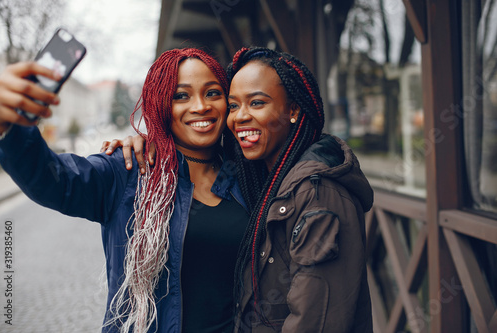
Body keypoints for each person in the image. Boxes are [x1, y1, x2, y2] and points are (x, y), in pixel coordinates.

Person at [111, 47, 374, 332]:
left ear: (294, 110)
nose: (239, 117)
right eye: (234, 105)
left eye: (257, 103)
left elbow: (318, 320)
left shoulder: (318, 191)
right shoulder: (265, 179)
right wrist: (152, 141)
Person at [0, 48, 249, 333]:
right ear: (161, 104)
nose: (201, 106)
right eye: (181, 95)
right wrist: (9, 128)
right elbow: (54, 179)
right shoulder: (130, 170)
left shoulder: (246, 174)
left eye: (213, 93)